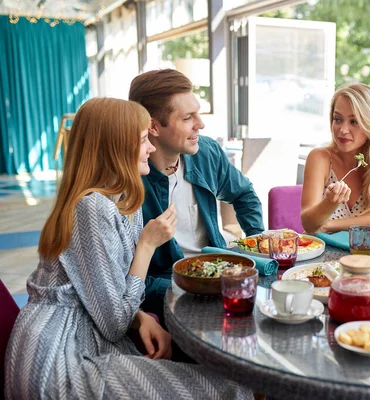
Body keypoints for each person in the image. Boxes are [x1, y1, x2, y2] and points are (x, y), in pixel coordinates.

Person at [4, 98, 252, 399]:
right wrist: (146, 246)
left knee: (229, 383)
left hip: (83, 338)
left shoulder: (125, 199)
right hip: (59, 357)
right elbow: (114, 325)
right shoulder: (92, 207)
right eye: (144, 140)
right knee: (230, 388)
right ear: (114, 147)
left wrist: (141, 317)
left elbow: (109, 294)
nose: (150, 148)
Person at [128, 69, 264, 319]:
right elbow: (125, 278)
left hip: (220, 274)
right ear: (153, 126)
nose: (200, 124)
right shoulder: (128, 181)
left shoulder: (206, 152)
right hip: (166, 291)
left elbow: (244, 194)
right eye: (188, 117)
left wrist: (258, 246)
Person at [301, 82, 370, 234]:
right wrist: (329, 203)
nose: (343, 130)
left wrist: (328, 225)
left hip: (366, 256)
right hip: (321, 255)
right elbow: (309, 225)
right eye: (337, 119)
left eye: (354, 121)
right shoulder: (320, 157)